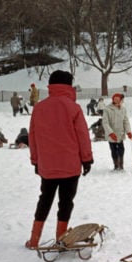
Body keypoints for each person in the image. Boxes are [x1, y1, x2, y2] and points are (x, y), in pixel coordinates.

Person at [25, 70, 93, 249]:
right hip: (70, 165)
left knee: (45, 199)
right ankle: (60, 238)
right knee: (66, 202)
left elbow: (32, 136)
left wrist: (36, 161)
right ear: (69, 86)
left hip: (47, 166)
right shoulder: (73, 107)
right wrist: (87, 159)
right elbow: (82, 136)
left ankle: (34, 240)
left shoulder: (39, 107)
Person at [103, 93, 132, 171]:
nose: (118, 101)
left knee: (121, 149)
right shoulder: (107, 109)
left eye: (119, 99)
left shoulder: (123, 109)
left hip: (120, 133)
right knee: (113, 150)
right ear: (114, 100)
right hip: (111, 134)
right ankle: (116, 165)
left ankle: (121, 165)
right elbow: (105, 122)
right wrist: (111, 133)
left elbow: (126, 121)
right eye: (115, 99)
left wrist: (128, 131)